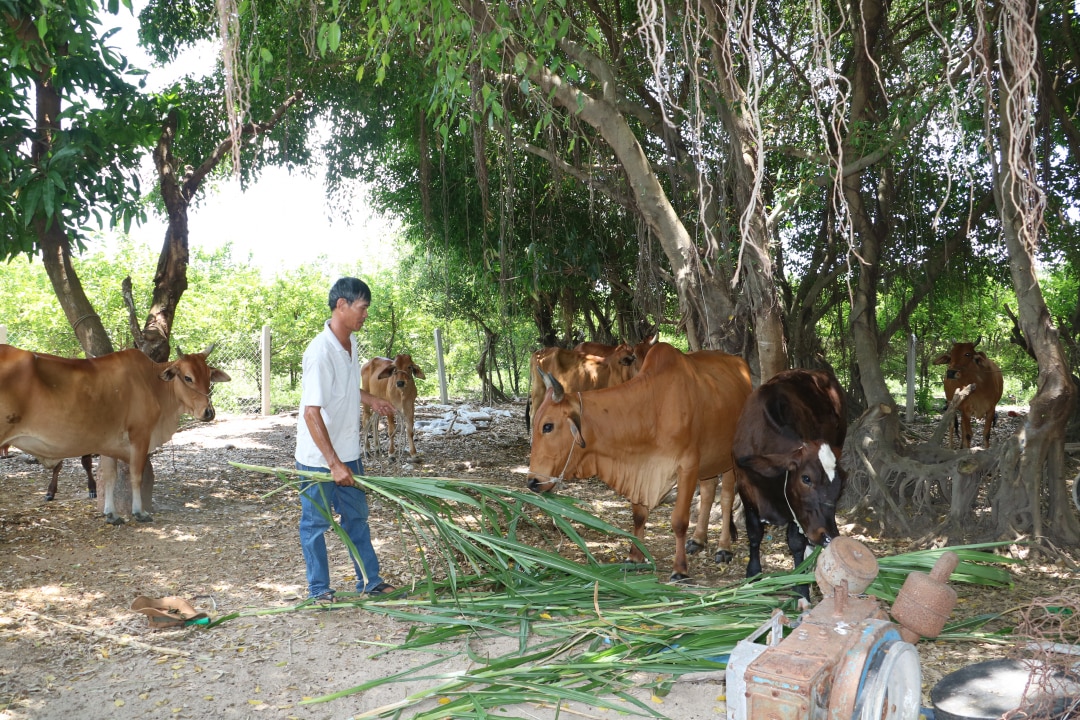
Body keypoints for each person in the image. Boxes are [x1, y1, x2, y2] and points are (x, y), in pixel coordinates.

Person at [295, 277, 399, 602]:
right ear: (342, 305)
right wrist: (334, 464)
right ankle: (319, 589)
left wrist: (370, 400)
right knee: (315, 524)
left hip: (348, 451)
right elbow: (311, 413)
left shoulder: (349, 345)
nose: (365, 314)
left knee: (357, 517)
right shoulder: (320, 352)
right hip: (320, 458)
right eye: (362, 307)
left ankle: (370, 581)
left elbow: (342, 389)